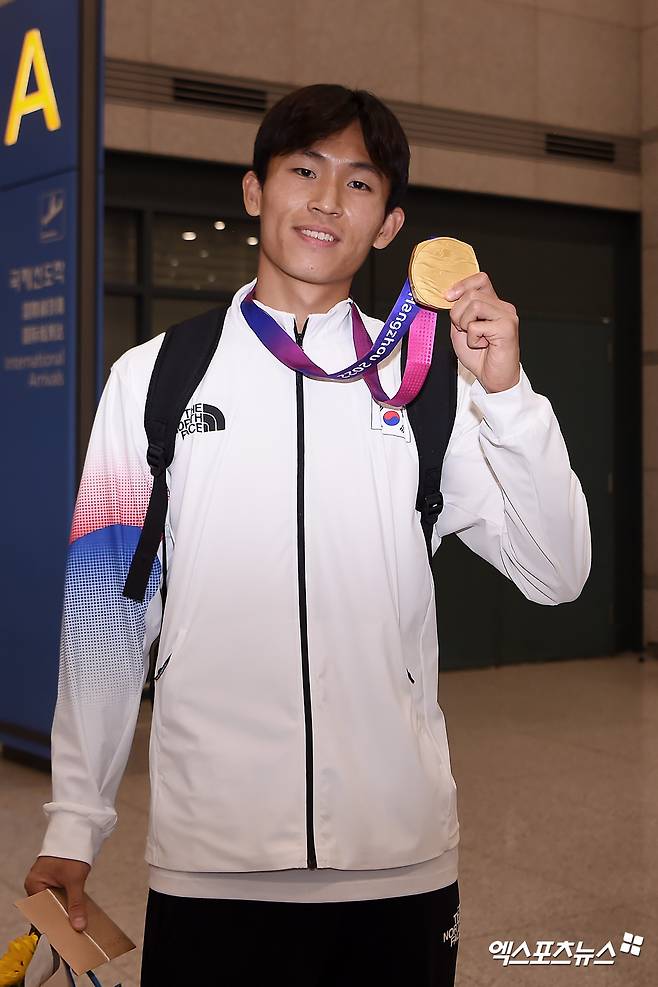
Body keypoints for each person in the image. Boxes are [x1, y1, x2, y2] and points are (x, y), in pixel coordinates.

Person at [24, 84, 591, 986]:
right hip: (211, 864)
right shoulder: (155, 378)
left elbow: (557, 571)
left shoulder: (428, 384)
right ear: (255, 191)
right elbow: (106, 617)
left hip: (399, 861)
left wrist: (509, 397)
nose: (327, 200)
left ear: (389, 224)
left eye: (358, 183)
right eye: (303, 170)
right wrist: (74, 822)